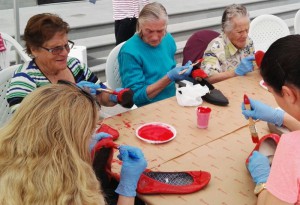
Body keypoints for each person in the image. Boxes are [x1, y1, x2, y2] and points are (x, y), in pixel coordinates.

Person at [0, 83, 147, 205]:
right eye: (90, 130)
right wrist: (127, 188)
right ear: (67, 142)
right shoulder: (68, 192)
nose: (93, 134)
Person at [6, 13, 127, 112]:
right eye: (56, 49)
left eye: (66, 45)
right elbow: (29, 126)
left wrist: (115, 96)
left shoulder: (75, 66)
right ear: (34, 49)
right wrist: (71, 97)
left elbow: (101, 95)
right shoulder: (24, 81)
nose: (65, 53)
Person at [242, 35, 300, 204]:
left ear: (287, 94)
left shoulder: (292, 148)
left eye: (272, 93)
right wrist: (279, 116)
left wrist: (263, 182)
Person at [118, 2, 193, 107]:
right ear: (140, 26)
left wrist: (183, 73)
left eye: (160, 31)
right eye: (149, 31)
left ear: (165, 26)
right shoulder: (129, 52)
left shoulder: (168, 39)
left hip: (172, 100)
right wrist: (169, 77)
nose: (155, 37)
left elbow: (167, 70)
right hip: (146, 107)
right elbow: (135, 97)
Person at [200, 4, 255, 84]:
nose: (245, 35)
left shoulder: (248, 41)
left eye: (247, 30)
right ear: (226, 31)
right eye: (239, 32)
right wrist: (235, 72)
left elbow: (253, 68)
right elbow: (208, 79)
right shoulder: (215, 47)